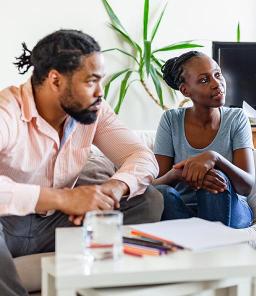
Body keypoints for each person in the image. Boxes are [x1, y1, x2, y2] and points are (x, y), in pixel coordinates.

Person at [0, 29, 163, 296]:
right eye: (91, 81)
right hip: (7, 224)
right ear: (55, 80)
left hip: (57, 226)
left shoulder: (92, 109)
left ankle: (99, 286)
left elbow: (142, 156)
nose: (101, 92)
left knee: (149, 199)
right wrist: (62, 199)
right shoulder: (7, 111)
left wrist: (114, 188)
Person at [152, 51, 254, 229]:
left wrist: (215, 158)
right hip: (183, 211)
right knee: (161, 193)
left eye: (217, 74)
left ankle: (210, 246)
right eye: (204, 80)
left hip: (231, 208)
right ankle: (201, 241)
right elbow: (155, 184)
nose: (217, 84)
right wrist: (178, 174)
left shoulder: (237, 118)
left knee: (215, 179)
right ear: (186, 90)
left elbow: (247, 186)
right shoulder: (171, 120)